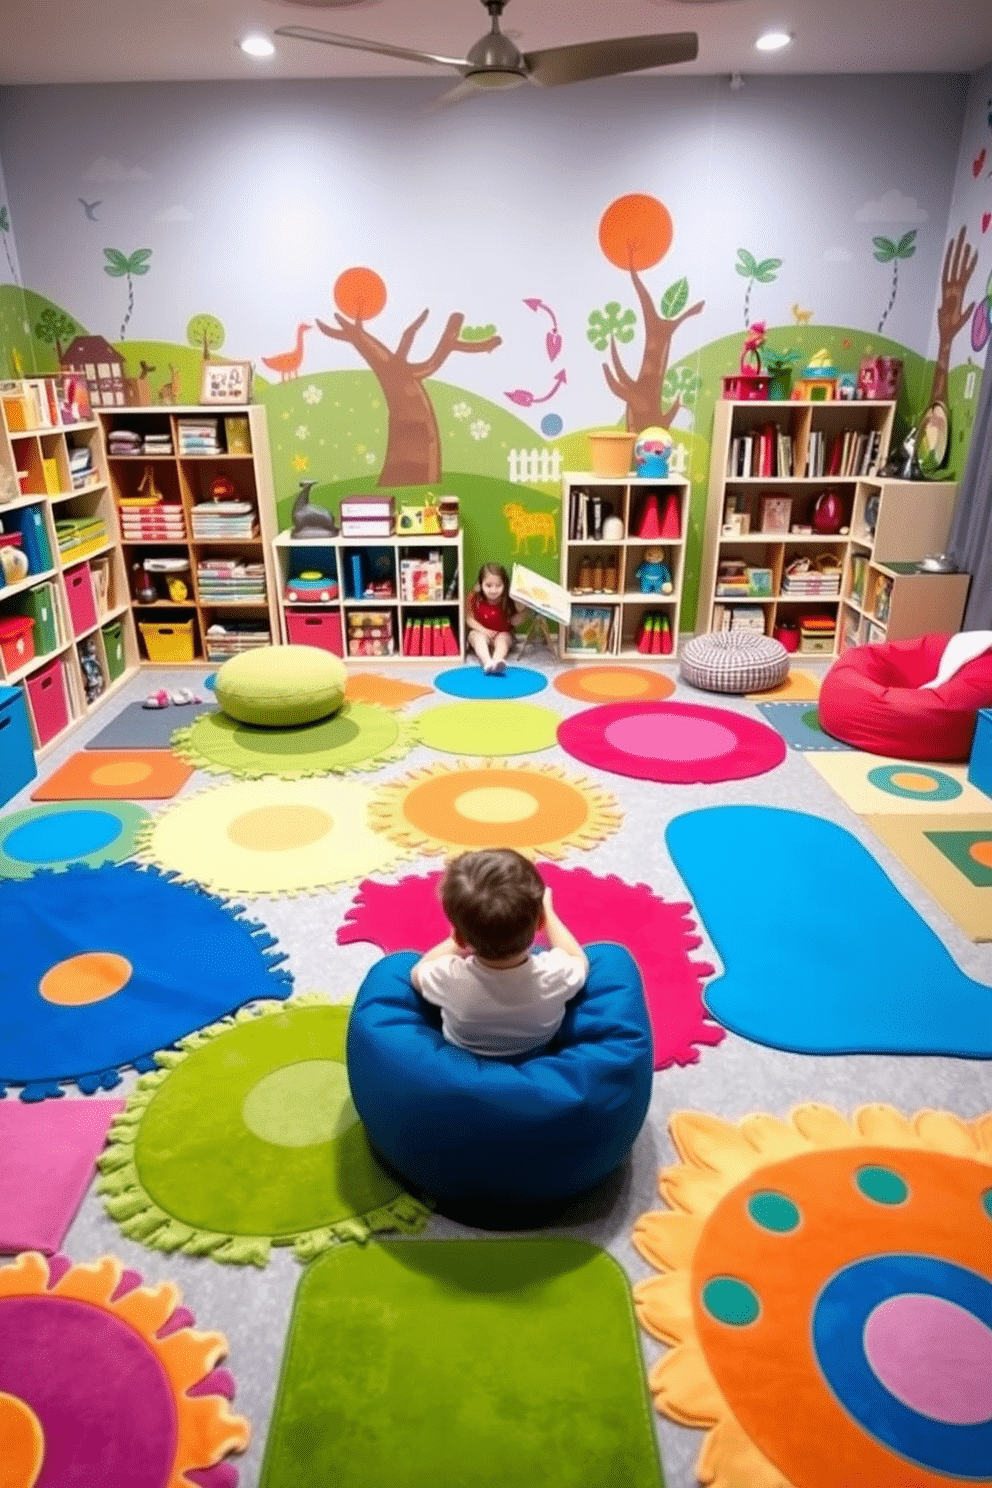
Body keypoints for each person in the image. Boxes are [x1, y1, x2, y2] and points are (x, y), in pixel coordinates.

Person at [410, 848, 589, 1058]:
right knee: (609, 957)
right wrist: (549, 913)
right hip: (537, 1051)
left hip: (464, 1055)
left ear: (460, 938)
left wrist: (458, 940)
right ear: (539, 922)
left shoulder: (448, 976)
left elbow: (417, 973)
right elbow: (579, 960)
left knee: (397, 965)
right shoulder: (555, 973)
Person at [465, 562, 523, 674]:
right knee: (476, 636)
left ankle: (497, 660)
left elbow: (516, 621)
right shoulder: (474, 597)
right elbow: (469, 620)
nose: (493, 590)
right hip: (481, 632)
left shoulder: (508, 599)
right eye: (488, 585)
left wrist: (523, 610)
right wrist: (484, 631)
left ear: (504, 585)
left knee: (503, 638)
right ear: (481, 584)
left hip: (502, 633)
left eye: (498, 586)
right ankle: (487, 662)